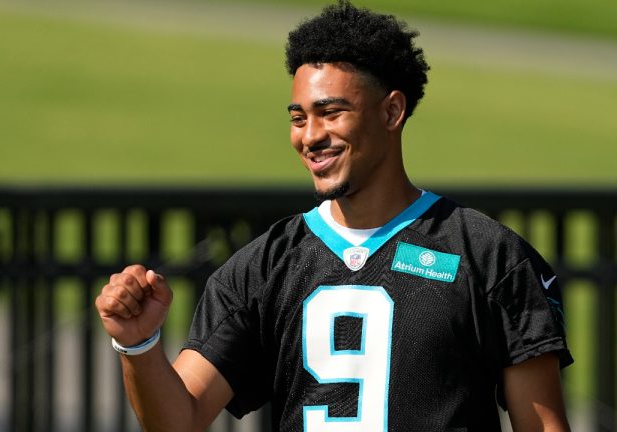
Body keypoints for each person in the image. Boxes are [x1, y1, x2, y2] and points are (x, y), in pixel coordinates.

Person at [95, 1, 573, 430]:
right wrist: (138, 346)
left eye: (331, 112)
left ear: (392, 112)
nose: (311, 136)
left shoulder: (489, 256)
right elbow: (178, 421)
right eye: (299, 117)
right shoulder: (262, 268)